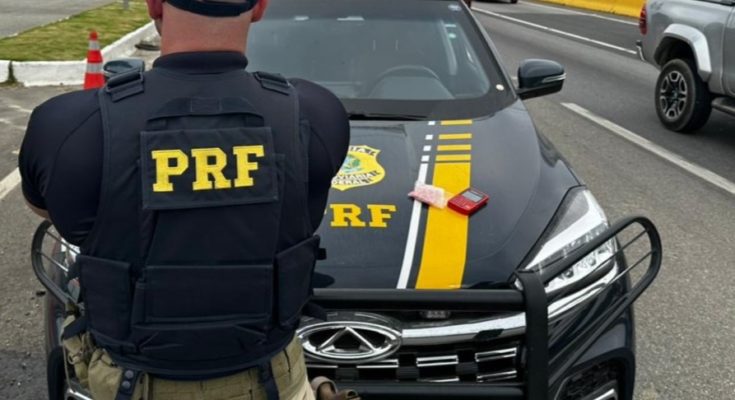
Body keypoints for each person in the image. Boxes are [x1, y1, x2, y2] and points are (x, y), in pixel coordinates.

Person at [19, 0, 350, 399]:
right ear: (260, 7)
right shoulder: (316, 114)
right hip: (273, 381)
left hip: (130, 383)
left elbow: (48, 209)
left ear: (153, 5)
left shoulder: (66, 127)